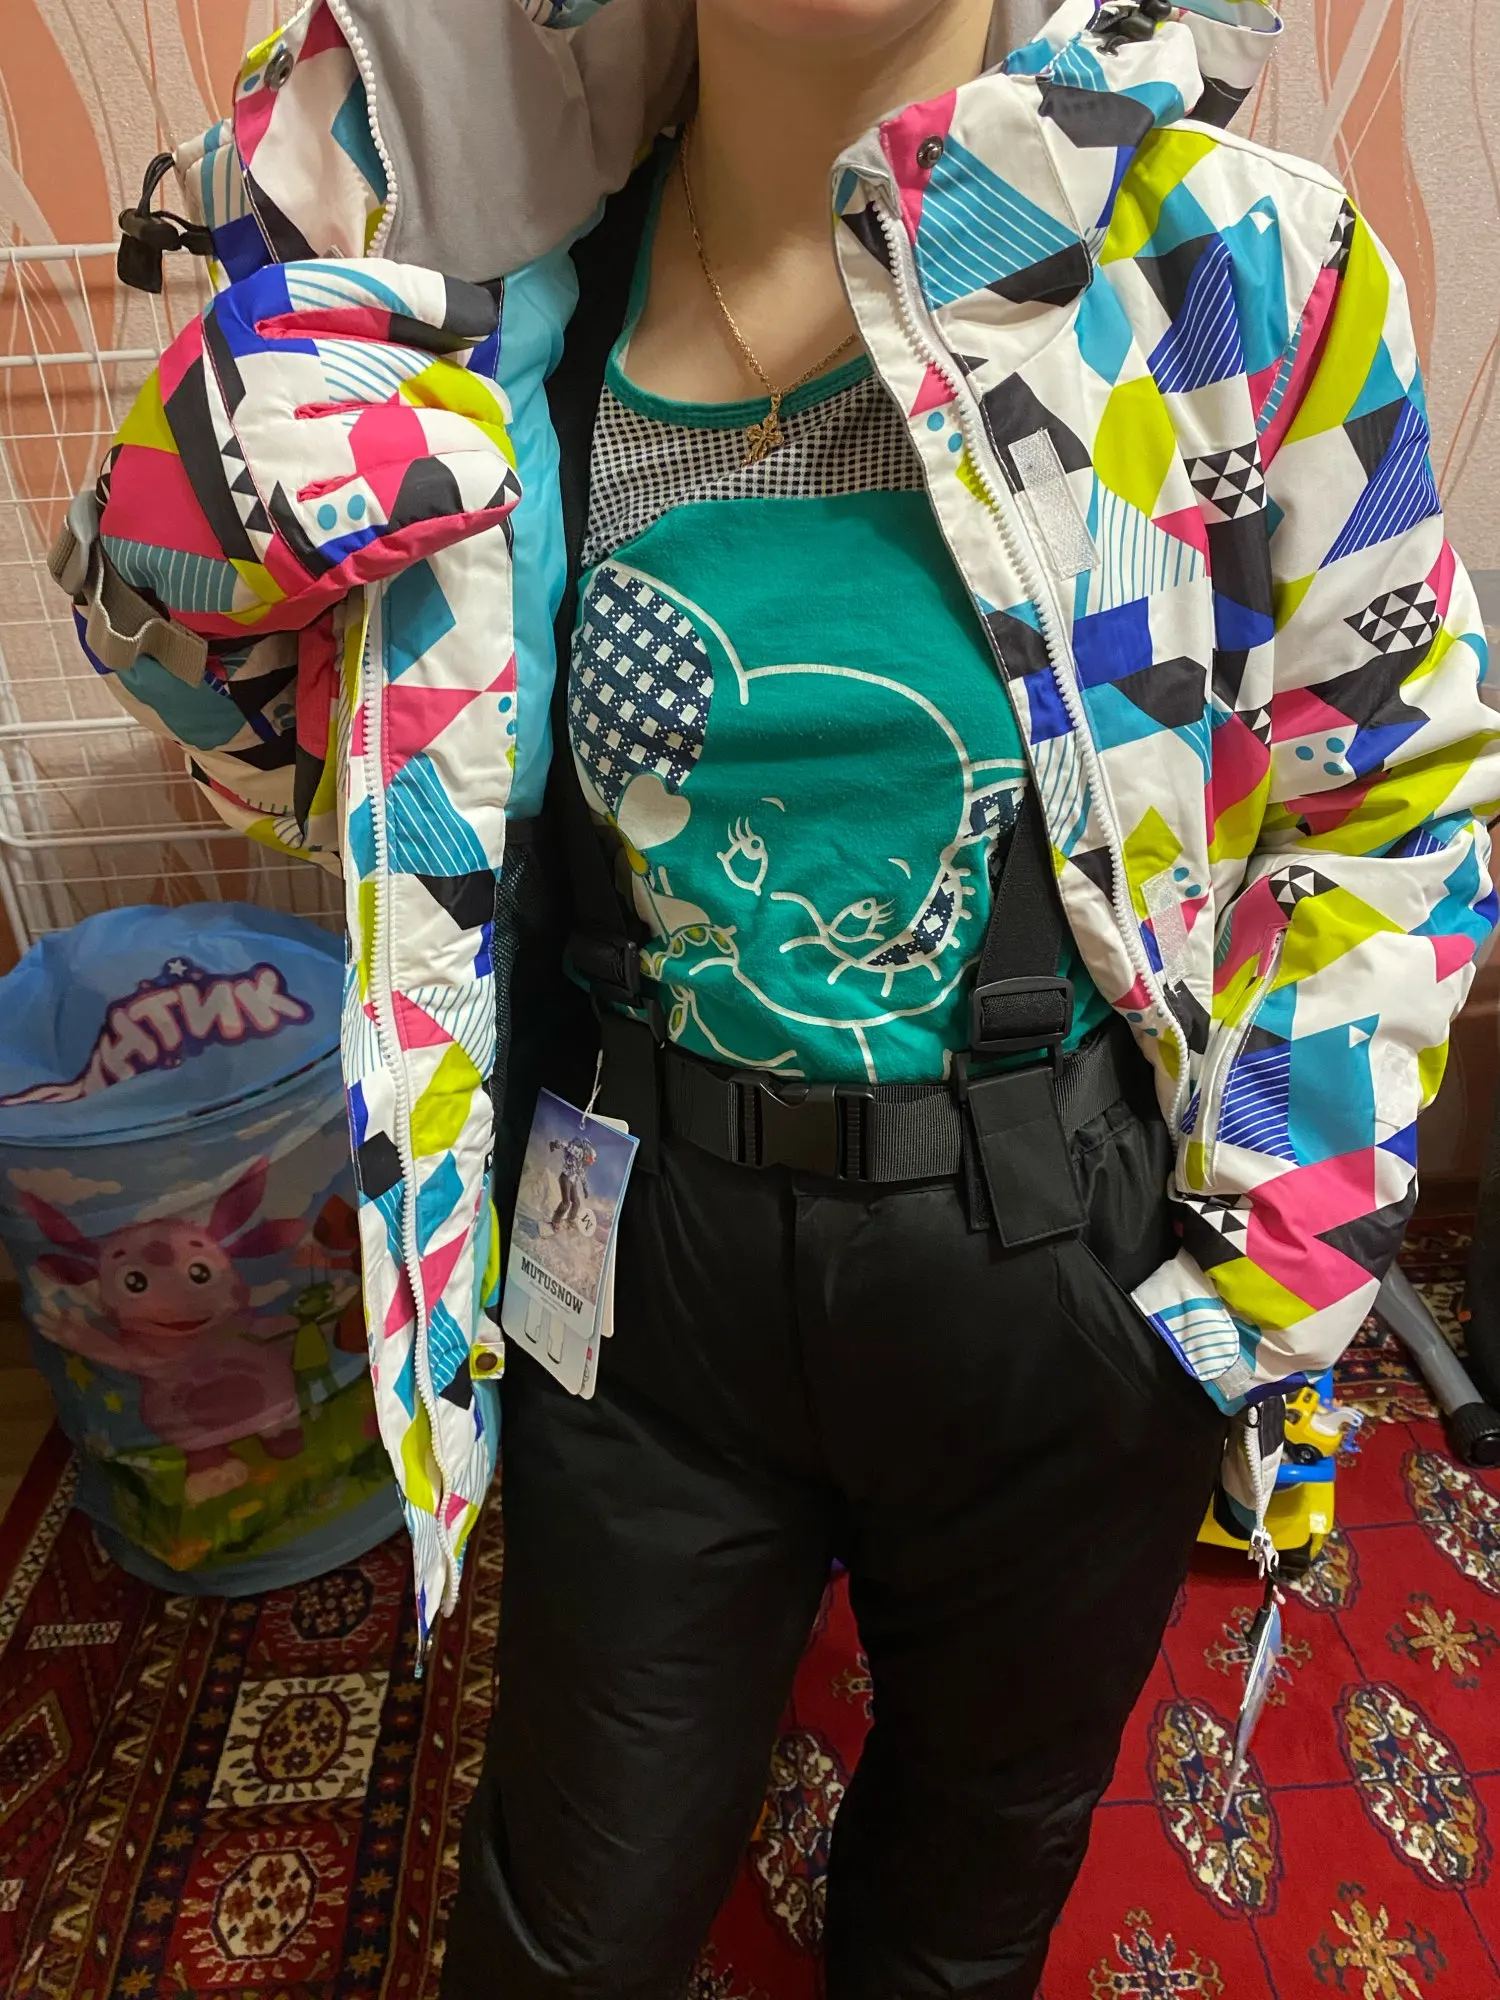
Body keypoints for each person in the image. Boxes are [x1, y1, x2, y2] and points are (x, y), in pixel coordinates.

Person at [58, 0, 1500, 1994]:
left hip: (1064, 1267)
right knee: (565, 1927)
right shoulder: (493, 317)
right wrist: (187, 563)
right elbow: (326, 779)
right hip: (640, 1272)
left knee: (968, 1897)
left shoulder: (1230, 275)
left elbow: (1394, 783)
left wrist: (1272, 1271)